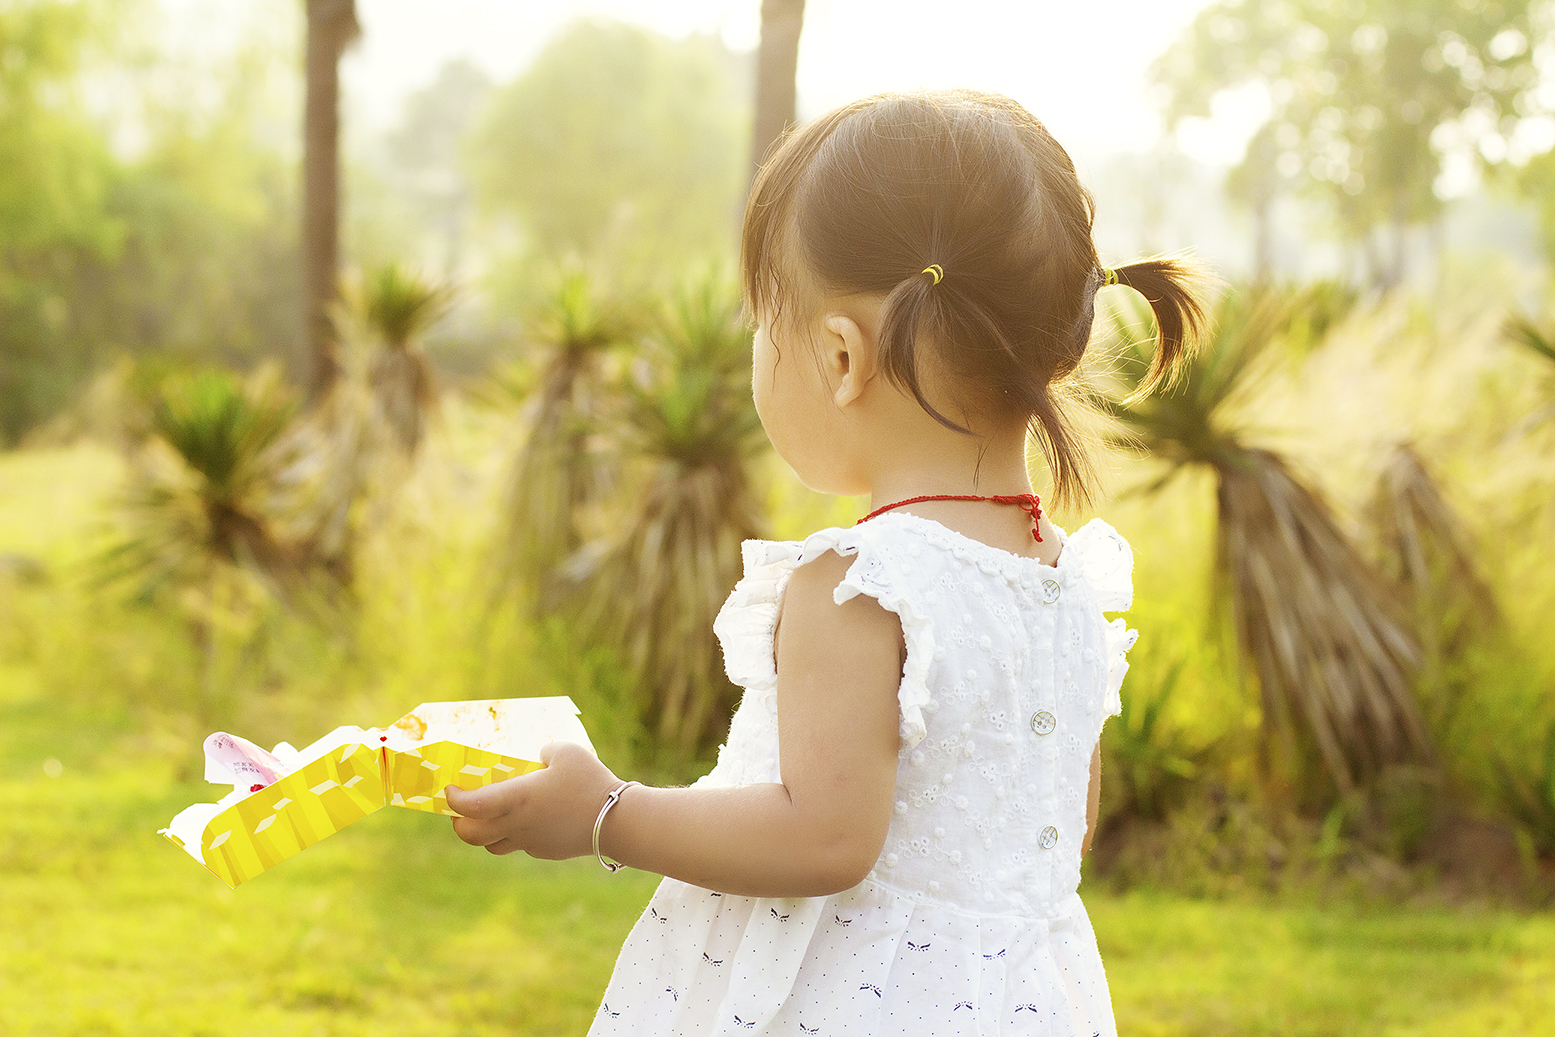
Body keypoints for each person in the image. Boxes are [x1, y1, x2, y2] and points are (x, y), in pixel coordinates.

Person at [445, 89, 1210, 1036]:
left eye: (765, 325)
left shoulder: (858, 583)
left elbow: (825, 837)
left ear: (841, 357)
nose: (759, 353)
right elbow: (1051, 834)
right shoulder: (1066, 583)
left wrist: (606, 811)